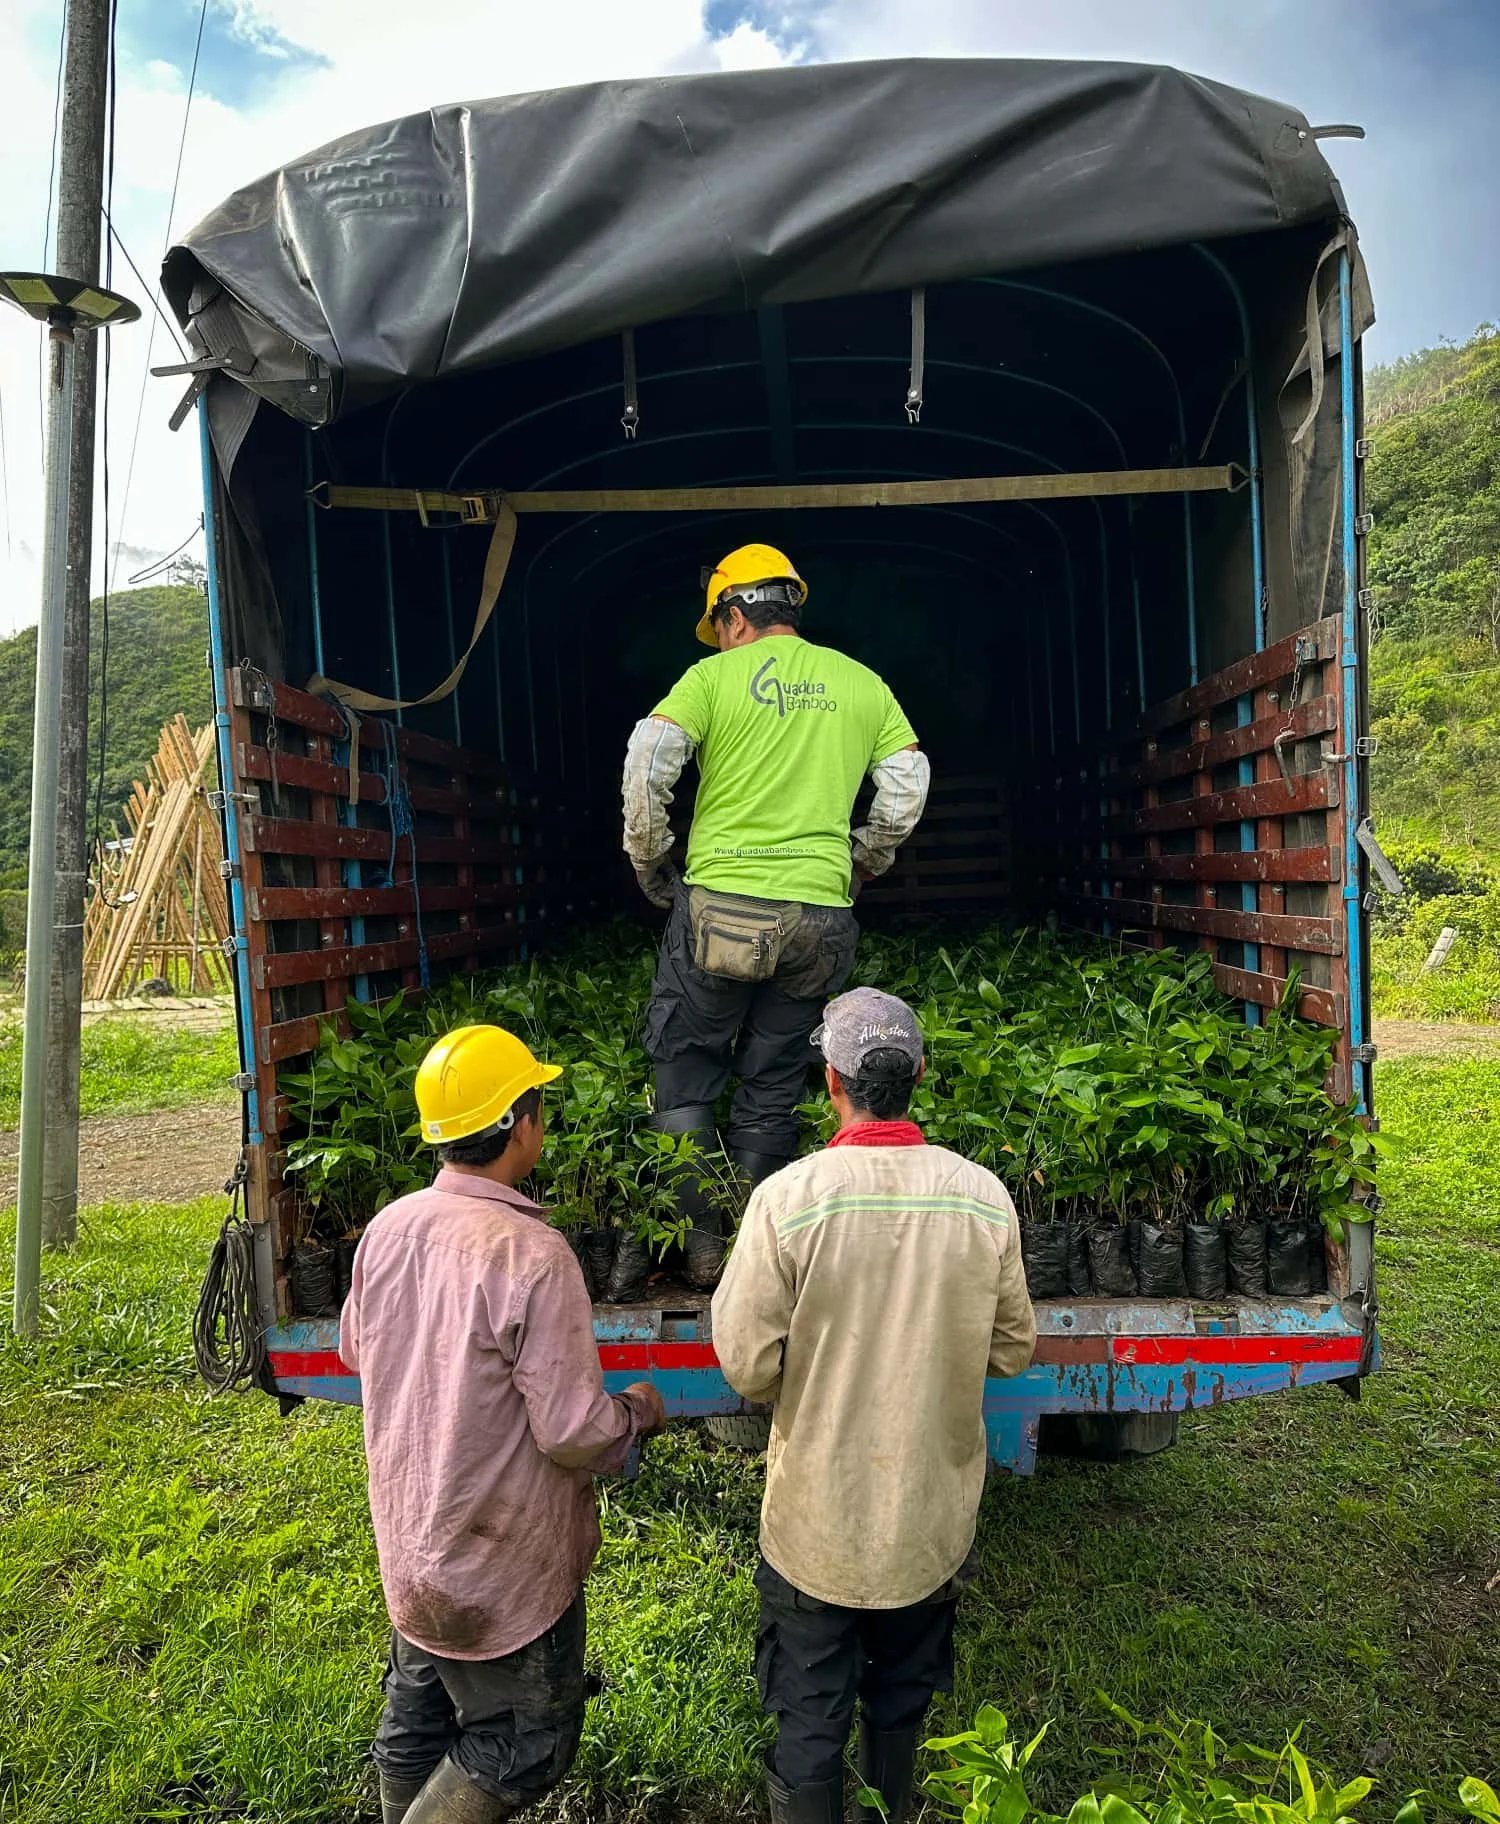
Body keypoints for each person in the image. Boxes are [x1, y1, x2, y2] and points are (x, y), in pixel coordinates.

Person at [712, 988, 1037, 1824]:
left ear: (831, 1082)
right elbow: (1011, 1349)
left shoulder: (788, 1199)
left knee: (810, 1715)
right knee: (899, 1701)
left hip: (816, 1526)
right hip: (926, 1527)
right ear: (920, 1074)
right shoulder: (981, 1196)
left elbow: (747, 1365)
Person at [339, 1023, 666, 1824]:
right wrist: (636, 1415)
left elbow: (356, 1347)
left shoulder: (390, 1227)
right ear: (523, 1124)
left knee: (419, 1714)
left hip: (416, 1545)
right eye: (538, 1105)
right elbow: (571, 1432)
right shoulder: (533, 1253)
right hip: (499, 1570)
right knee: (528, 1740)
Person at [619, 543, 930, 1294]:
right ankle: (750, 1250)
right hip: (821, 915)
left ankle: (700, 1247)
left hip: (719, 906)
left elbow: (649, 756)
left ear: (732, 616)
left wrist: (651, 856)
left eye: (717, 623)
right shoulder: (862, 684)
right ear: (790, 608)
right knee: (775, 1078)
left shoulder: (710, 678)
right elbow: (907, 783)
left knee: (685, 1070)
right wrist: (862, 861)